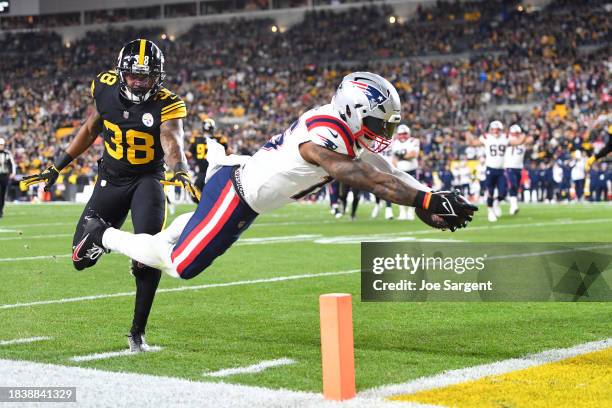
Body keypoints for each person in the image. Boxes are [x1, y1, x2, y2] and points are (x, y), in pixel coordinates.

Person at [74, 72, 477, 281]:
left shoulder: (343, 126)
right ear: (354, 112)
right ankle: (102, 234)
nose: (384, 133)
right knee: (181, 266)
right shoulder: (325, 133)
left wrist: (427, 194)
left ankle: (181, 227)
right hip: (236, 194)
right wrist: (423, 201)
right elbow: (356, 174)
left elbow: (382, 168)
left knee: (189, 238)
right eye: (378, 123)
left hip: (244, 186)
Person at [21, 39, 198, 352]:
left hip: (148, 179)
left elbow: (172, 140)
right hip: (111, 180)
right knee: (79, 260)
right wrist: (58, 166)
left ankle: (137, 333)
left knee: (150, 254)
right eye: (133, 75)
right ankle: (105, 236)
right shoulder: (103, 87)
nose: (139, 81)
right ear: (121, 73)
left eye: (146, 75)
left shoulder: (168, 103)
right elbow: (92, 128)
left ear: (158, 75)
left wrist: (180, 170)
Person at [466, 121, 525, 222]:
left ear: (501, 130)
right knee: (490, 192)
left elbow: (518, 142)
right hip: (490, 169)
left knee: (503, 192)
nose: (495, 131)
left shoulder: (505, 138)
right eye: (493, 129)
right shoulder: (486, 137)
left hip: (502, 170)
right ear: (490, 130)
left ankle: (495, 204)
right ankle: (490, 212)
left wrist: (524, 133)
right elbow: (471, 143)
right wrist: (467, 132)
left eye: (497, 130)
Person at [189, 118, 228, 192]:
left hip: (202, 173)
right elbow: (229, 153)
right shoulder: (220, 139)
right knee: (216, 194)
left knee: (197, 194)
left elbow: (189, 154)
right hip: (215, 172)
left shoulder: (196, 139)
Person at [391, 125, 419, 220]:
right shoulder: (394, 142)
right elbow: (393, 159)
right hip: (399, 171)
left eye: (404, 134)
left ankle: (411, 212)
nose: (402, 136)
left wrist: (400, 155)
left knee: (413, 192)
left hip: (412, 170)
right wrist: (404, 154)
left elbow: (413, 154)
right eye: (400, 134)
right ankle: (402, 212)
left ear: (408, 133)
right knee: (400, 192)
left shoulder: (414, 141)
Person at [504, 124, 528, 215]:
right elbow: (518, 141)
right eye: (514, 133)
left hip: (519, 167)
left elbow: (530, 139)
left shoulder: (522, 140)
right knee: (513, 185)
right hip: (509, 166)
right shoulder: (508, 139)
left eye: (517, 133)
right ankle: (513, 205)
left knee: (517, 187)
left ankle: (513, 205)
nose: (515, 135)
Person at [0, 137, 15, 217]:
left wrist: (13, 173)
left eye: (2, 145)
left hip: (4, 175)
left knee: (2, 194)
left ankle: (1, 210)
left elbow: (12, 163)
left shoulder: (7, 153)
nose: (1, 146)